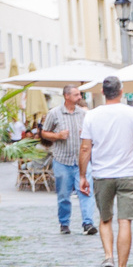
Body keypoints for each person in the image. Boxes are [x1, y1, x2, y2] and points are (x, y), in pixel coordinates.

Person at [81, 76, 133, 267]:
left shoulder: (91, 116)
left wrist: (82, 176)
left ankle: (108, 257)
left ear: (103, 93)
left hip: (102, 174)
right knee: (125, 220)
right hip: (129, 173)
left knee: (105, 219)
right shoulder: (132, 113)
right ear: (121, 92)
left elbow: (85, 148)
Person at [44, 85, 95, 236]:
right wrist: (57, 136)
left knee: (86, 192)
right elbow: (44, 133)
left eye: (79, 95)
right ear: (67, 96)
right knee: (63, 195)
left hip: (81, 161)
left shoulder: (83, 114)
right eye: (76, 95)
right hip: (62, 160)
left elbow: (91, 133)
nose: (80, 97)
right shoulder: (54, 113)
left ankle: (88, 223)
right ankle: (64, 223)